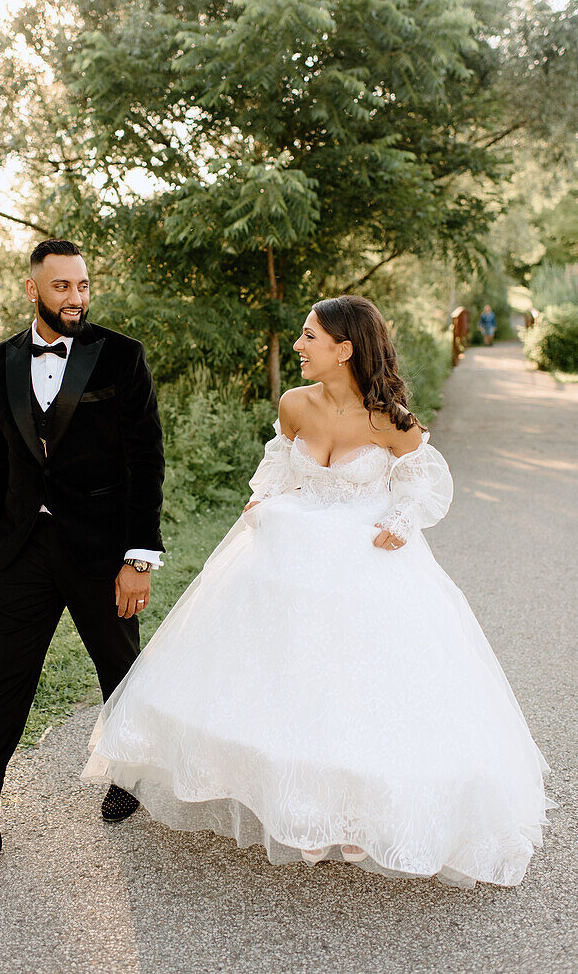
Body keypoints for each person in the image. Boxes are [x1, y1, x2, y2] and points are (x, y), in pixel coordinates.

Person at [82, 295, 552, 888]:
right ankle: (287, 799)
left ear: (344, 349)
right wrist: (263, 497)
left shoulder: (392, 421)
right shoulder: (294, 404)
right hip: (286, 557)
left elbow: (420, 484)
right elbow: (280, 464)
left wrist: (400, 523)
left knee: (354, 687)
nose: (299, 346)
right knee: (276, 679)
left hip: (364, 567)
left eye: (309, 337)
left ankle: (353, 811)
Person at [0, 239, 164, 864]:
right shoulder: (0, 362)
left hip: (103, 549)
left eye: (82, 286)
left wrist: (138, 557)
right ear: (33, 289)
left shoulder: (120, 357)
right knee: (6, 681)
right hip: (23, 549)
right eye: (62, 288)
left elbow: (146, 459)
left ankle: (127, 776)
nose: (75, 299)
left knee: (119, 671)